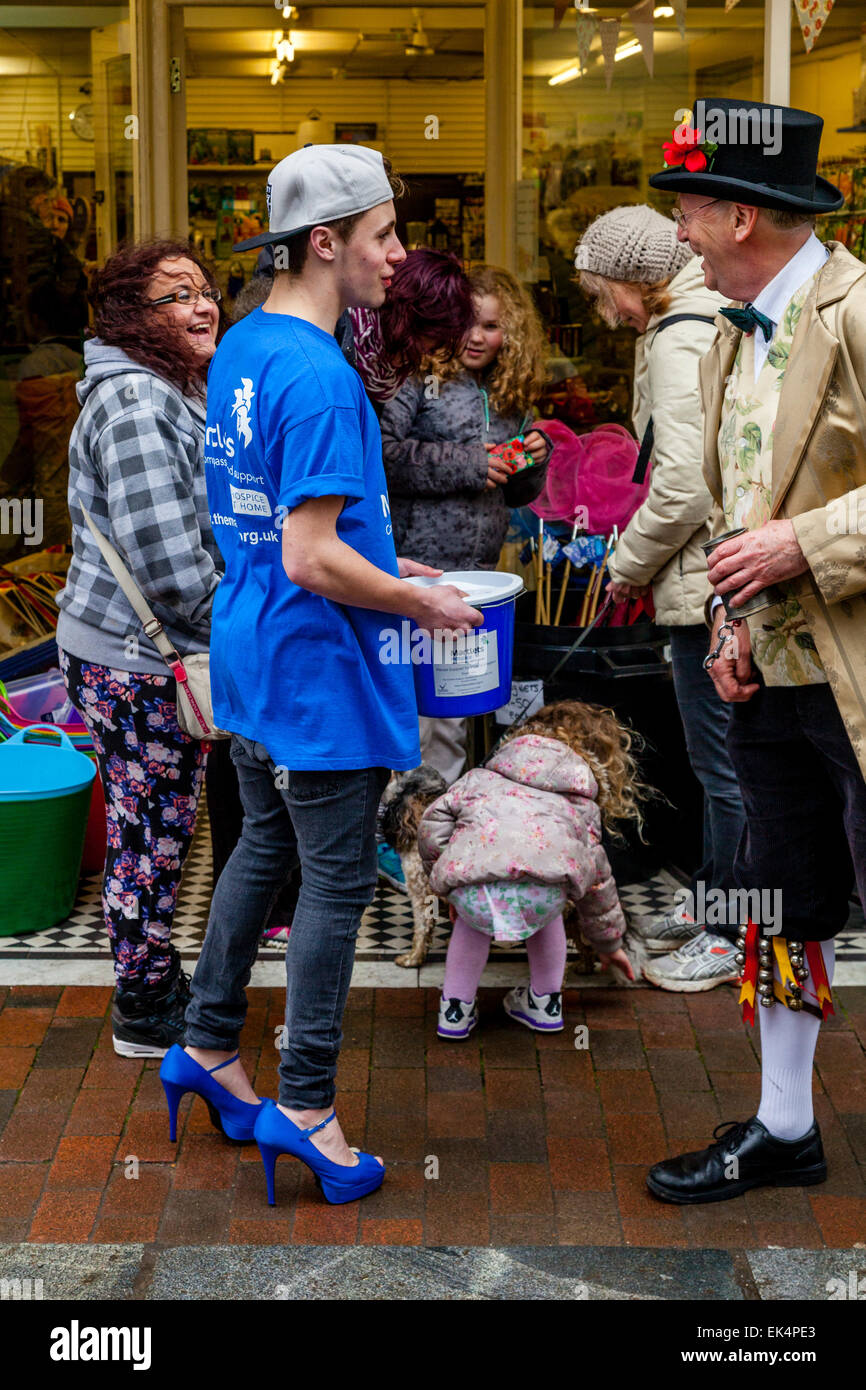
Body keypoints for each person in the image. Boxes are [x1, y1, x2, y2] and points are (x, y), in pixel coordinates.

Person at [166, 144, 482, 1204]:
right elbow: (311, 553)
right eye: (383, 233)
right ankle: (304, 1105)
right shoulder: (321, 374)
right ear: (324, 242)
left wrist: (389, 560)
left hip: (253, 646)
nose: (398, 255)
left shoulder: (246, 346)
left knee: (261, 842)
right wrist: (417, 601)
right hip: (318, 668)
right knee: (335, 884)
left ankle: (207, 1042)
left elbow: (291, 527)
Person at [644, 98, 866, 1202]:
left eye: (686, 208)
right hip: (766, 676)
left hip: (857, 684)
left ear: (737, 215)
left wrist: (802, 542)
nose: (675, 231)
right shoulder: (726, 328)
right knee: (764, 898)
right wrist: (732, 625)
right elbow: (739, 496)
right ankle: (784, 1125)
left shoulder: (859, 307)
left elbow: (782, 524)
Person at [56, 240, 225, 1058]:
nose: (202, 307)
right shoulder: (135, 403)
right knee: (151, 829)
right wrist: (252, 618)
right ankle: (144, 1006)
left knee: (153, 823)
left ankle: (152, 979)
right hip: (132, 658)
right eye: (176, 297)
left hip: (136, 653)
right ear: (131, 318)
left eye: (205, 290)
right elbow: (170, 565)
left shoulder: (165, 389)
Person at [575, 205, 746, 991]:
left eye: (602, 291)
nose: (603, 310)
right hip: (720, 578)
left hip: (706, 584)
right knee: (724, 760)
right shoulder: (698, 319)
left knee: (726, 765)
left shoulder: (679, 337)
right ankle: (722, 902)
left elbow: (681, 484)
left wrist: (628, 562)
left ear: (630, 279)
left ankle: (736, 927)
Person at [379, 265, 551, 784]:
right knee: (430, 713)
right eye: (469, 323)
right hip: (418, 572)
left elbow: (516, 492)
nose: (478, 337)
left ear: (511, 334)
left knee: (462, 707)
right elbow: (382, 458)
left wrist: (532, 462)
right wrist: (471, 464)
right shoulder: (417, 379)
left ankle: (447, 829)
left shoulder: (509, 394)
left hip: (481, 578)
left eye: (493, 327)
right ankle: (418, 833)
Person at [417, 701, 640, 1040]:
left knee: (471, 925)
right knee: (549, 896)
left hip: (473, 891)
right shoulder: (580, 803)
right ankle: (546, 1004)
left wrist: (447, 882)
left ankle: (454, 1011)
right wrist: (610, 946)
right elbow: (598, 882)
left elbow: (431, 826)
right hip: (542, 899)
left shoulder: (479, 777)